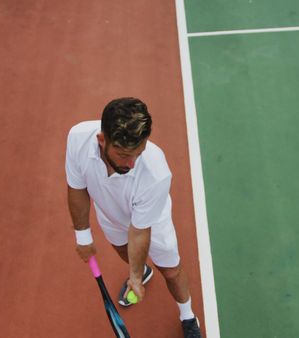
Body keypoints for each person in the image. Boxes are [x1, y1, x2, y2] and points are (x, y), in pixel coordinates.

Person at [65, 97, 202, 338]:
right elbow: (77, 187)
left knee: (171, 271)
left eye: (138, 154)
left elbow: (140, 230)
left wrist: (134, 278)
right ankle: (143, 271)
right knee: (122, 251)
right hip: (110, 215)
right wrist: (83, 236)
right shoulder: (77, 138)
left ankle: (187, 315)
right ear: (102, 139)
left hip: (151, 222)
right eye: (123, 154)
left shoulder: (155, 173)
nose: (131, 163)